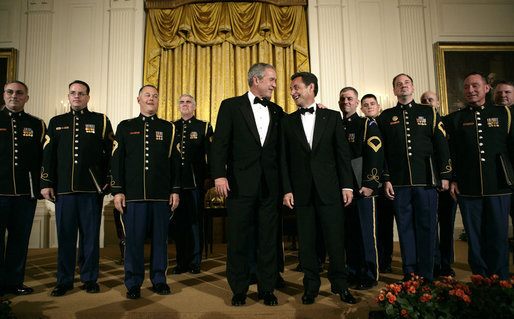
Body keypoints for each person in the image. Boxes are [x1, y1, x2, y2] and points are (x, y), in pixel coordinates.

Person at [210, 63, 283, 306]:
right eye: (271, 80)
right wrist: (219, 176)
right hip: (239, 185)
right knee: (239, 239)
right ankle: (239, 289)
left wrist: (317, 109)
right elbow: (219, 143)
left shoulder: (277, 110)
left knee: (268, 240)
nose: (274, 84)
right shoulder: (230, 106)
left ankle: (267, 288)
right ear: (256, 80)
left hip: (270, 187)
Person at [281, 72, 356, 305]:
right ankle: (310, 287)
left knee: (335, 240)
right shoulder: (287, 121)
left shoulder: (332, 117)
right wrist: (287, 189)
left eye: (296, 87)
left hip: (330, 189)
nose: (292, 92)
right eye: (292, 89)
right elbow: (283, 159)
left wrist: (347, 186)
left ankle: (340, 286)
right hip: (302, 192)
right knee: (308, 242)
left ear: (311, 87)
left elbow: (342, 155)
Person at [376, 74, 451, 282]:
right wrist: (387, 178)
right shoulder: (386, 116)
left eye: (406, 83)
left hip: (426, 181)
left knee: (427, 227)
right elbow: (382, 152)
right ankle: (410, 272)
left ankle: (427, 273)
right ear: (394, 91)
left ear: (413, 87)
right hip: (399, 183)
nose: (403, 86)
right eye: (398, 84)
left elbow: (441, 145)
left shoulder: (429, 112)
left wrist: (445, 174)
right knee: (405, 228)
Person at [41, 80, 113, 296]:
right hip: (64, 190)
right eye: (73, 93)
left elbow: (111, 152)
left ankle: (90, 278)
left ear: (88, 97)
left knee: (90, 238)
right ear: (69, 96)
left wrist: (109, 178)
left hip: (91, 190)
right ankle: (63, 281)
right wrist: (46, 183)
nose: (77, 97)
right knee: (65, 238)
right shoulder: (56, 122)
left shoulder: (100, 121)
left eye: (81, 93)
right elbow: (48, 156)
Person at [111, 85, 180, 299]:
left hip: (160, 196)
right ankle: (133, 283)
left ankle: (159, 280)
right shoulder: (125, 126)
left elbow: (176, 163)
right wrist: (117, 191)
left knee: (160, 241)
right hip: (132, 197)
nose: (151, 98)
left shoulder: (168, 128)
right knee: (134, 241)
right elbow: (117, 161)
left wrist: (175, 190)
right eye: (147, 95)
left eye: (155, 96)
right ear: (138, 99)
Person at [446, 72, 514, 280]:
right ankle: (480, 278)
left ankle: (501, 279)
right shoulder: (456, 119)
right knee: (474, 237)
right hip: (469, 187)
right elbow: (452, 152)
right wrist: (454, 179)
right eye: (466, 87)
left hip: (499, 186)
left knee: (498, 235)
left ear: (487, 88)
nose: (470, 90)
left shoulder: (505, 114)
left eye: (475, 86)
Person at [0, 81, 46, 296]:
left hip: (25, 194)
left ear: (26, 98)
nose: (14, 96)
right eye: (10, 92)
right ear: (4, 95)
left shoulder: (37, 124)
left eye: (19, 93)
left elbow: (42, 159)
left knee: (19, 242)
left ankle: (14, 281)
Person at [339, 88, 383, 290]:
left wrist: (371, 183)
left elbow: (375, 153)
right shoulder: (337, 125)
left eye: (349, 98)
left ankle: (369, 274)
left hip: (362, 187)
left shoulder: (366, 124)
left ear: (357, 103)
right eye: (342, 98)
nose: (345, 101)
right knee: (349, 234)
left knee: (366, 233)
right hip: (343, 189)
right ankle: (353, 271)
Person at [171, 94, 213, 275]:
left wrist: (209, 179)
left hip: (195, 184)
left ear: (194, 106)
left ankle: (195, 261)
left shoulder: (203, 126)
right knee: (179, 225)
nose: (185, 105)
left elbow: (211, 155)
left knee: (195, 223)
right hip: (175, 186)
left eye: (188, 102)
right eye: (182, 102)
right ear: (178, 106)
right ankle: (181, 261)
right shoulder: (171, 127)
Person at [420, 91, 457, 277]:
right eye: (424, 101)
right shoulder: (420, 124)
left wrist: (451, 178)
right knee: (430, 225)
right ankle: (434, 262)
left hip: (447, 181)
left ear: (439, 103)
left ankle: (446, 263)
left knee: (447, 224)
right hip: (428, 181)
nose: (427, 103)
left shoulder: (449, 123)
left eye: (430, 100)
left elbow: (454, 153)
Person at [360, 94, 394, 274]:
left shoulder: (384, 124)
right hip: (369, 183)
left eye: (372, 104)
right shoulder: (361, 126)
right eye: (365, 105)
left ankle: (386, 260)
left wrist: (387, 177)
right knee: (374, 225)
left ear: (378, 106)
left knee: (385, 224)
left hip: (386, 181)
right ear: (361, 108)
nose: (369, 107)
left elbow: (386, 153)